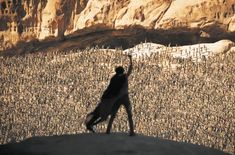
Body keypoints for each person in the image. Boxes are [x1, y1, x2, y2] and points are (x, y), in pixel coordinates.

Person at [85, 54, 135, 136]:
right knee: (128, 114)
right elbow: (130, 70)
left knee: (113, 114)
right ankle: (132, 132)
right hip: (124, 98)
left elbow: (110, 88)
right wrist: (130, 60)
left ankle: (107, 130)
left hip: (115, 98)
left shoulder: (114, 78)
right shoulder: (124, 77)